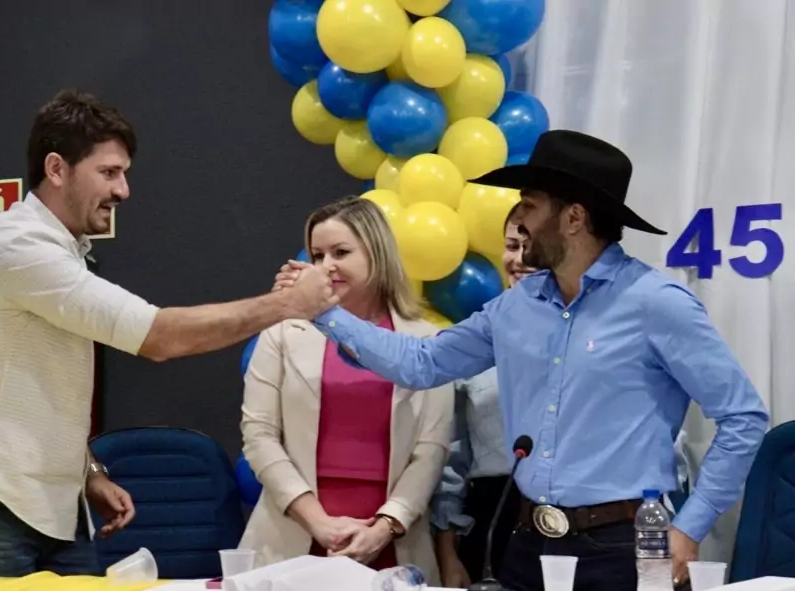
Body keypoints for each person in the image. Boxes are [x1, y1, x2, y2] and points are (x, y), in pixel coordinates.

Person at [290, 130, 770, 591]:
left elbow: (743, 416)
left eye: (530, 204)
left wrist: (690, 525)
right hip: (527, 540)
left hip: (625, 545)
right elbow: (423, 362)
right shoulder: (516, 305)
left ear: (574, 218)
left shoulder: (657, 303)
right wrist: (325, 312)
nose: (517, 218)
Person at [0, 89, 337, 578]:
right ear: (56, 169)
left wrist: (88, 470)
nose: (124, 190)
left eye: (124, 173)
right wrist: (286, 305)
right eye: (109, 172)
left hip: (50, 510)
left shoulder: (59, 250)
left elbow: (37, 386)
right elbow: (160, 338)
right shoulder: (20, 247)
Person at [238, 197, 454, 583]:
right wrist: (319, 523)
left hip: (393, 542)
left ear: (377, 253)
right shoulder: (282, 332)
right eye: (317, 255)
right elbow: (259, 435)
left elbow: (431, 451)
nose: (326, 266)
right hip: (293, 538)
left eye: (340, 252)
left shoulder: (426, 341)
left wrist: (385, 527)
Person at [431, 206, 535, 588]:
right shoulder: (475, 338)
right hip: (493, 517)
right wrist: (447, 553)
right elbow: (452, 461)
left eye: (531, 246)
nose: (519, 258)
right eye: (512, 245)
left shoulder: (596, 335)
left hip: (580, 520)